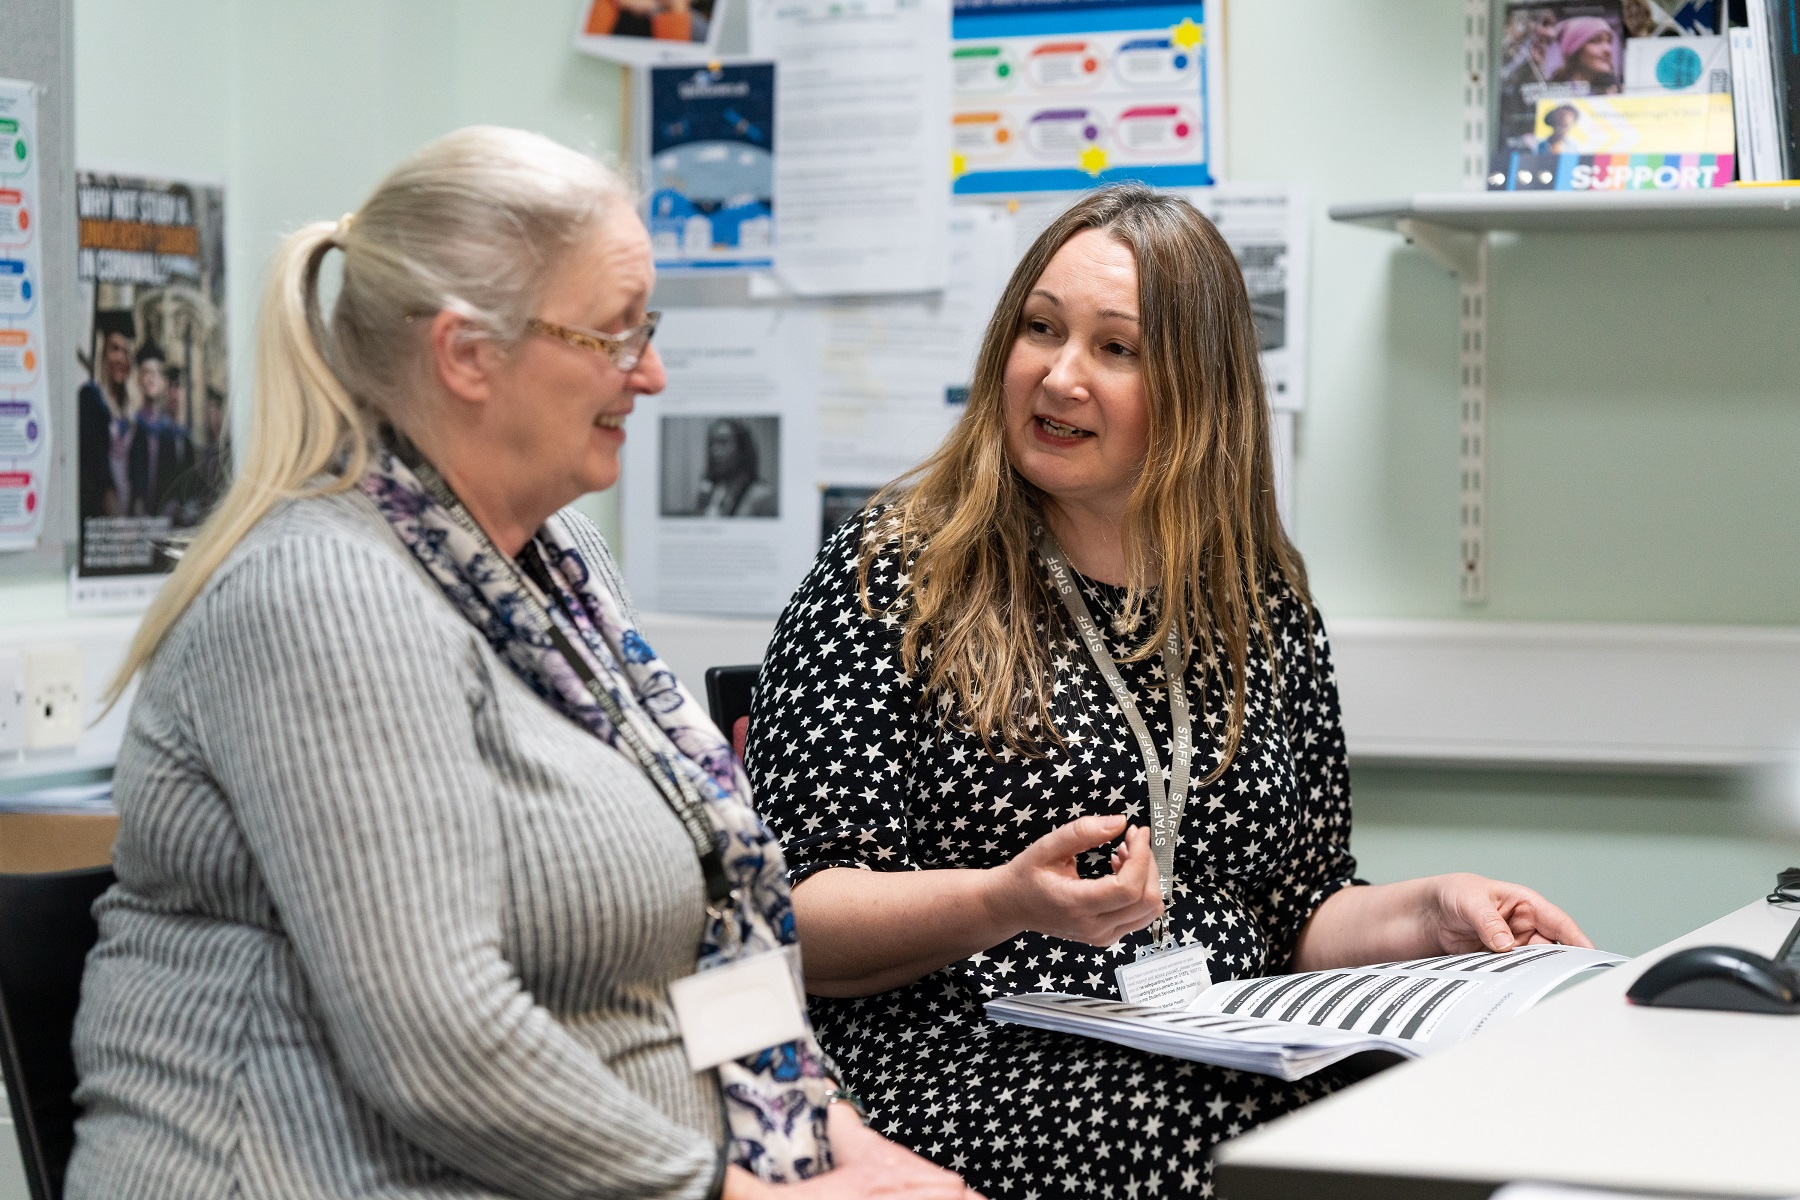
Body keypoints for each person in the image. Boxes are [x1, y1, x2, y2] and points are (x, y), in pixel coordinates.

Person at [67, 126, 976, 1200]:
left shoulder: (561, 566)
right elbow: (432, 1037)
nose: (652, 371)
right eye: (613, 335)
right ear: (467, 355)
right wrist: (736, 1192)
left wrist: (839, 1141)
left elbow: (708, 924)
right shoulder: (323, 593)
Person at [743, 185, 1593, 1200]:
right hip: (953, 1062)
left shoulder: (1255, 595)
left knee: (1452, 1106)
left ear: (1196, 388)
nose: (1059, 376)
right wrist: (1005, 902)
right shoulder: (898, 574)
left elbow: (1299, 906)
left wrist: (1434, 913)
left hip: (1222, 1038)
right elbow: (784, 922)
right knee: (1258, 1143)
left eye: (1116, 349)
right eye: (1041, 329)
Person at [76, 311, 136, 519]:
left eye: (126, 352)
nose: (120, 358)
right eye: (114, 349)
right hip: (101, 510)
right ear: (103, 354)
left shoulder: (128, 411)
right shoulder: (90, 398)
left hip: (127, 507)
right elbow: (93, 465)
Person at [695, 417, 778, 517]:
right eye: (712, 443)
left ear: (742, 450)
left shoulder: (761, 496)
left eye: (723, 442)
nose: (715, 451)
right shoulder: (713, 492)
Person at [1547, 17, 1619, 90]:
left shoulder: (1615, 90)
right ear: (1575, 50)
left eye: (1609, 42)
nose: (1608, 50)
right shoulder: (1552, 89)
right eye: (1596, 41)